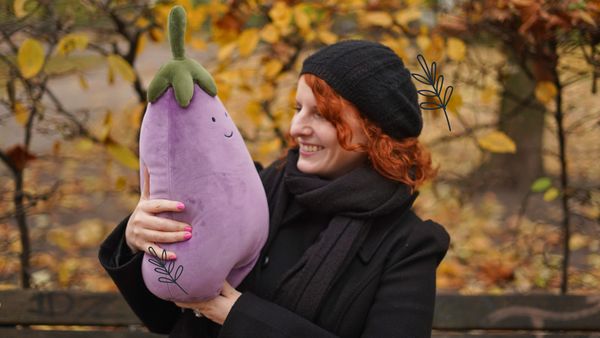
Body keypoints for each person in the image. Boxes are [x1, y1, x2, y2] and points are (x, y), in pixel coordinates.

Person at [99, 39, 450, 338]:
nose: (297, 127)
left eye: (323, 116)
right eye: (298, 108)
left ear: (376, 133)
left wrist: (240, 317)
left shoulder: (408, 246)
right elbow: (164, 317)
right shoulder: (251, 192)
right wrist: (138, 241)